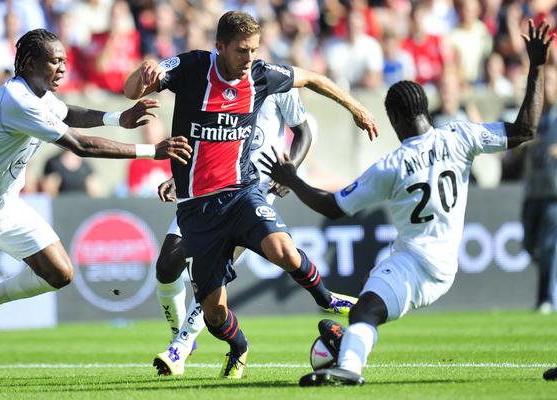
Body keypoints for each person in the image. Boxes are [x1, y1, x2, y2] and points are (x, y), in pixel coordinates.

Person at [260, 19, 551, 386]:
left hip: (415, 263)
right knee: (367, 301)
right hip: (444, 264)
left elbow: (333, 207)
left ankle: (349, 366)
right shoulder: (459, 136)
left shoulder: (392, 166)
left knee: (365, 310)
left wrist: (292, 179)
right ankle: (347, 353)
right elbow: (525, 129)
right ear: (425, 109)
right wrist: (536, 66)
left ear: (394, 118)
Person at [124, 11, 378, 379]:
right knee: (214, 312)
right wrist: (142, 74)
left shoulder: (262, 75)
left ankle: (326, 297)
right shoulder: (193, 67)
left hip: (244, 193)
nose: (249, 58)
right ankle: (239, 345)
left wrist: (357, 107)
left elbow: (313, 78)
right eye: (242, 50)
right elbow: (132, 91)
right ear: (220, 46)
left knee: (282, 249)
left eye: (254, 50)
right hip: (197, 208)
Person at [0, 28, 192, 351]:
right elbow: (81, 145)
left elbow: (68, 113)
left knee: (60, 273)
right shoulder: (16, 100)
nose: (63, 69)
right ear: (29, 63)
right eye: (54, 61)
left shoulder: (38, 96)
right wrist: (152, 151)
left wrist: (118, 118)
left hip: (5, 205)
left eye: (65, 61)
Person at [151, 87, 313, 376]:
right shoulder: (217, 82)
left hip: (250, 198)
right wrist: (179, 176)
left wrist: (291, 171)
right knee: (166, 265)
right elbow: (207, 138)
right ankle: (182, 333)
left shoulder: (278, 81)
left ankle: (180, 346)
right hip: (206, 191)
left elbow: (303, 132)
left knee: (211, 277)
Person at [521, 64, 557, 315]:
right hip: (533, 190)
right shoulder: (534, 118)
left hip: (554, 192)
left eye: (551, 83)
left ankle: (548, 298)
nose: (547, 89)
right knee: (530, 244)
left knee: (549, 246)